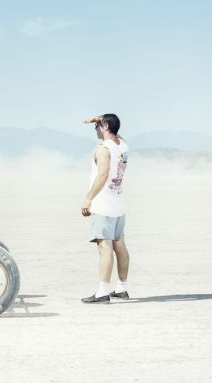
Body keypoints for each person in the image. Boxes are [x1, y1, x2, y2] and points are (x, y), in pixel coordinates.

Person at [81, 114, 130, 304]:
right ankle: (122, 288)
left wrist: (88, 199)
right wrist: (100, 119)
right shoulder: (123, 146)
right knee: (120, 245)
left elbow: (102, 175)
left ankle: (102, 292)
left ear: (105, 126)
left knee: (105, 248)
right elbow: (117, 135)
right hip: (118, 204)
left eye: (97, 126)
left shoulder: (102, 149)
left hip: (103, 205)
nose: (95, 129)